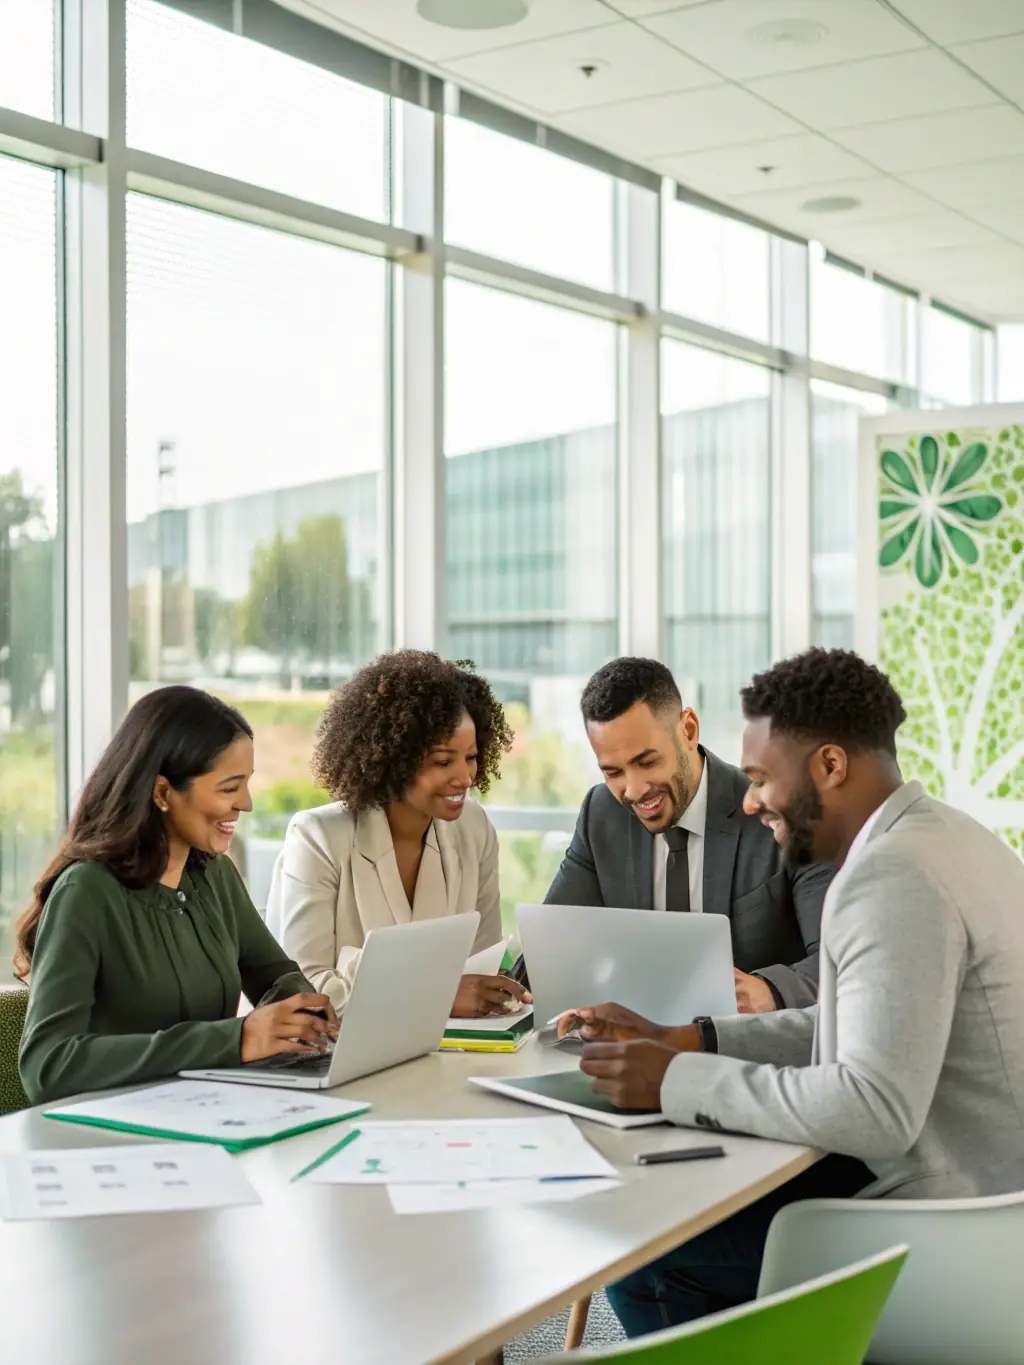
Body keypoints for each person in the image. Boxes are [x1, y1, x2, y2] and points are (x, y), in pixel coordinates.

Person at [563, 648, 1024, 1339]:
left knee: (645, 1255)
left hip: (957, 1232)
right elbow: (858, 1024)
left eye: (760, 779)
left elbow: (873, 1110)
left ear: (829, 765)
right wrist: (694, 1038)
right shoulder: (947, 837)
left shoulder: (890, 877)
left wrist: (675, 1079)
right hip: (993, 1199)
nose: (749, 801)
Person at [18, 687, 336, 1106]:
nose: (246, 804)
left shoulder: (216, 876)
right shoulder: (86, 892)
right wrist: (235, 1039)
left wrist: (303, 1012)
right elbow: (47, 1065)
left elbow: (274, 975)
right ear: (163, 793)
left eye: (246, 784)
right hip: (112, 1127)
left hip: (204, 1112)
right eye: (229, 788)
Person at [545, 658, 833, 1011]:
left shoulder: (779, 813)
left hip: (746, 1040)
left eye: (647, 762)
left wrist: (769, 991)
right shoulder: (601, 814)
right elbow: (552, 941)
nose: (633, 790)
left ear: (689, 730)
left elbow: (838, 961)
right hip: (634, 1037)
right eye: (613, 772)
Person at [265, 650, 530, 1019]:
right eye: (443, 761)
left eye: (470, 757)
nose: (465, 778)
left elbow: (482, 967)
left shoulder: (474, 828)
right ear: (393, 758)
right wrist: (436, 994)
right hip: (343, 1049)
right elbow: (304, 993)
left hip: (453, 1044)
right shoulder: (318, 838)